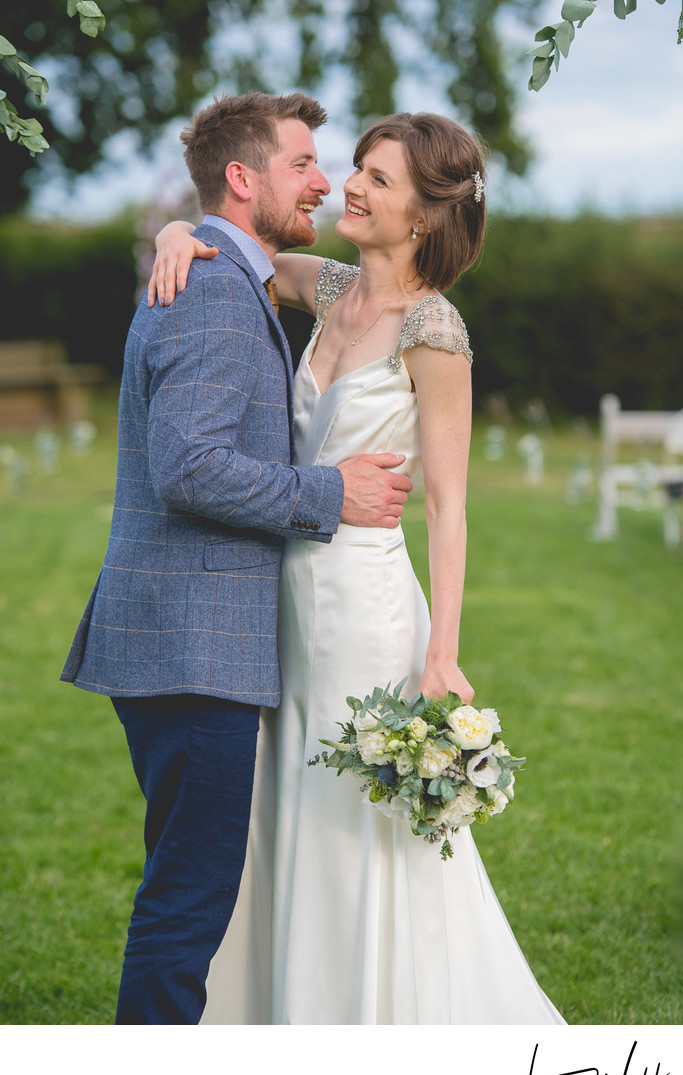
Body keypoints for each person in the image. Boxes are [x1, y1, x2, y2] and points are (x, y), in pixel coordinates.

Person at [150, 110, 565, 1025]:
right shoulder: (327, 285)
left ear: (421, 214)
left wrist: (442, 652)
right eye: (356, 168)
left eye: (377, 178)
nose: (351, 186)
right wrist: (177, 230)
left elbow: (450, 505)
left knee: (346, 815)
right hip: (281, 596)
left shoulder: (435, 329)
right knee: (283, 801)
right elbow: (234, 242)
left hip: (365, 603)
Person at [60, 91, 414, 1026]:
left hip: (187, 641)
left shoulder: (226, 273)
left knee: (187, 891)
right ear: (243, 177)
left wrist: (179, 226)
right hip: (193, 645)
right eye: (302, 163)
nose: (322, 181)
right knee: (186, 907)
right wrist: (333, 493)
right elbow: (191, 469)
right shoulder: (216, 293)